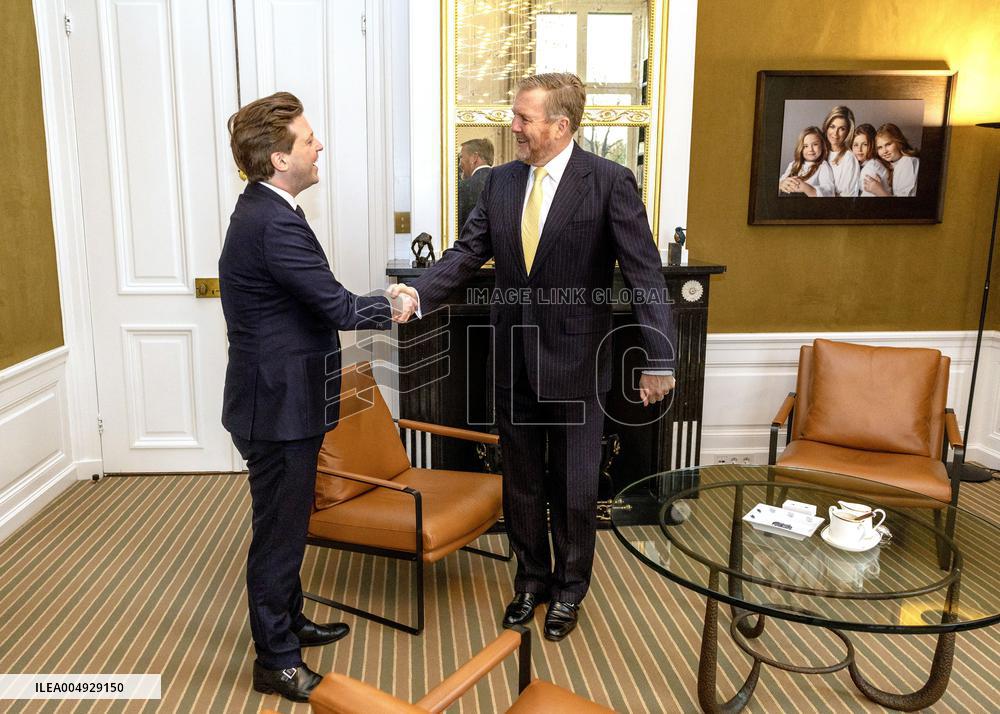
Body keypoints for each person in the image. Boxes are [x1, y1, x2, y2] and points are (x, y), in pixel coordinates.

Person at [390, 73, 675, 642]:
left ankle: (570, 590)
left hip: (576, 363)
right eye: (514, 117)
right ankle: (530, 581)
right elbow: (467, 253)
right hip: (512, 359)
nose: (513, 128)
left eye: (523, 119)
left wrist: (660, 361)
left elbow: (645, 275)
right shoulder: (497, 183)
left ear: (560, 125)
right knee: (520, 480)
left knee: (574, 484)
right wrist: (418, 292)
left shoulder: (609, 183)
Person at [219, 92, 414, 703]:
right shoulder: (273, 221)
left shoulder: (269, 209)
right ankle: (276, 660)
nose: (319, 145)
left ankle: (290, 621)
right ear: (280, 158)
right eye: (308, 139)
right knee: (278, 534)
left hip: (280, 399)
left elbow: (309, 302)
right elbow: (334, 305)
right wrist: (395, 302)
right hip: (277, 408)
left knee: (286, 524)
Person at [864, 123, 920, 197]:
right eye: (880, 147)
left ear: (899, 142)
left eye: (888, 144)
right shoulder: (893, 165)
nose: (884, 151)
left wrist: (878, 190)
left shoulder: (907, 162)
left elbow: (903, 204)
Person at [778, 126, 835, 197]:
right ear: (801, 148)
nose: (810, 149)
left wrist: (805, 188)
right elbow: (782, 180)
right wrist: (782, 184)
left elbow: (829, 192)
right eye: (805, 146)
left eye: (815, 144)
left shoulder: (823, 166)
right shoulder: (793, 164)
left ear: (822, 146)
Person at [821, 105, 860, 196]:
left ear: (848, 132)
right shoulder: (817, 150)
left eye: (842, 129)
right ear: (826, 127)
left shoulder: (849, 158)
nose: (835, 133)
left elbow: (848, 196)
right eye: (832, 126)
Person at [458, 138, 494, 228]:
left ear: (474, 158)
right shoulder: (505, 183)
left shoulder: (462, 188)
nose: (459, 164)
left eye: (461, 157)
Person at [851, 123, 890, 197]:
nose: (859, 149)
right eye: (856, 145)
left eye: (865, 144)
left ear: (872, 145)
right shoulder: (869, 164)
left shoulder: (871, 168)